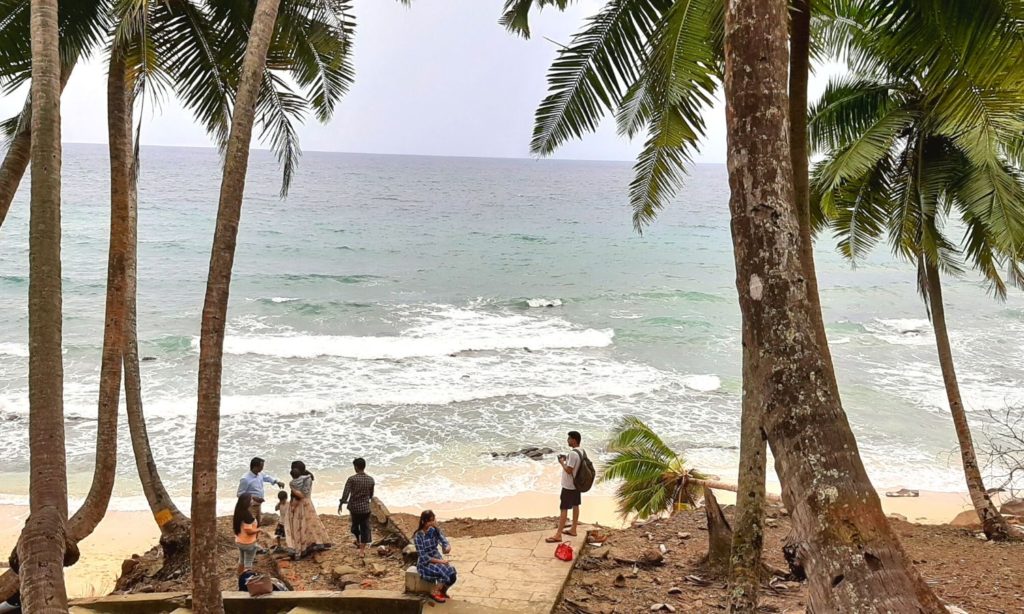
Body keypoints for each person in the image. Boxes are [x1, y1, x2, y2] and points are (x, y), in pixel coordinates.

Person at [284, 460, 332, 558]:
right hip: (307, 503)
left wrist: (293, 491)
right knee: (310, 525)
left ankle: (300, 548)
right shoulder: (308, 478)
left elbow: (302, 494)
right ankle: (314, 543)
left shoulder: (299, 481)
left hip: (300, 504)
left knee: (299, 526)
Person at [547, 430, 583, 543]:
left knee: (563, 508)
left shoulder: (573, 454)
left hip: (569, 486)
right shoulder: (581, 451)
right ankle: (573, 529)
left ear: (574, 440)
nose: (567, 440)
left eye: (569, 438)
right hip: (577, 485)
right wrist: (567, 459)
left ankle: (558, 535)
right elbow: (576, 465)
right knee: (576, 505)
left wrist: (562, 462)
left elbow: (569, 470)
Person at [413, 510, 456, 603]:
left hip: (437, 558)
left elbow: (443, 540)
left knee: (452, 573)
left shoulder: (434, 530)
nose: (433, 522)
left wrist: (447, 547)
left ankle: (443, 591)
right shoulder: (418, 536)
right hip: (426, 564)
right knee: (444, 572)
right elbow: (424, 557)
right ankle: (434, 592)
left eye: (433, 520)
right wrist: (441, 562)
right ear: (424, 521)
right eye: (430, 521)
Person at [338, 457, 375, 558]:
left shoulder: (352, 479)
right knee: (365, 528)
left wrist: (341, 503)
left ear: (356, 467)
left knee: (354, 526)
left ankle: (358, 541)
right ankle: (362, 551)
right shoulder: (371, 480)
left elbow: (346, 493)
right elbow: (371, 495)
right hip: (365, 509)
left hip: (354, 508)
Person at [237, 456, 285, 524]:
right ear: (255, 467)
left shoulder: (260, 474)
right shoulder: (245, 479)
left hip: (258, 505)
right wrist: (253, 497)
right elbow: (239, 494)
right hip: (250, 506)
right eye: (261, 466)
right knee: (250, 524)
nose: (262, 468)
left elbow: (267, 478)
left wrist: (277, 482)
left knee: (258, 524)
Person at [233, 494, 260, 574]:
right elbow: (248, 531)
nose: (252, 501)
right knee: (248, 564)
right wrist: (259, 530)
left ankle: (239, 578)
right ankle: (247, 582)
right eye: (251, 499)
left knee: (241, 561)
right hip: (248, 543)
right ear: (246, 502)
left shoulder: (238, 512)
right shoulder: (247, 515)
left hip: (239, 541)